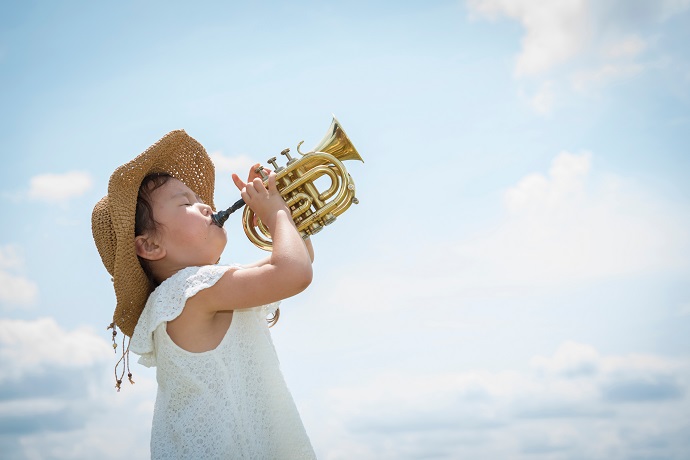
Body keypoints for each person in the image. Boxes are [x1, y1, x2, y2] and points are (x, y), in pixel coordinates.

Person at [91, 130, 316, 459]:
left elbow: (298, 257)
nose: (206, 205)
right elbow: (295, 272)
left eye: (200, 199)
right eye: (186, 203)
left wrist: (281, 212)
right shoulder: (190, 292)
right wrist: (275, 213)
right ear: (151, 245)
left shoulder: (192, 292)